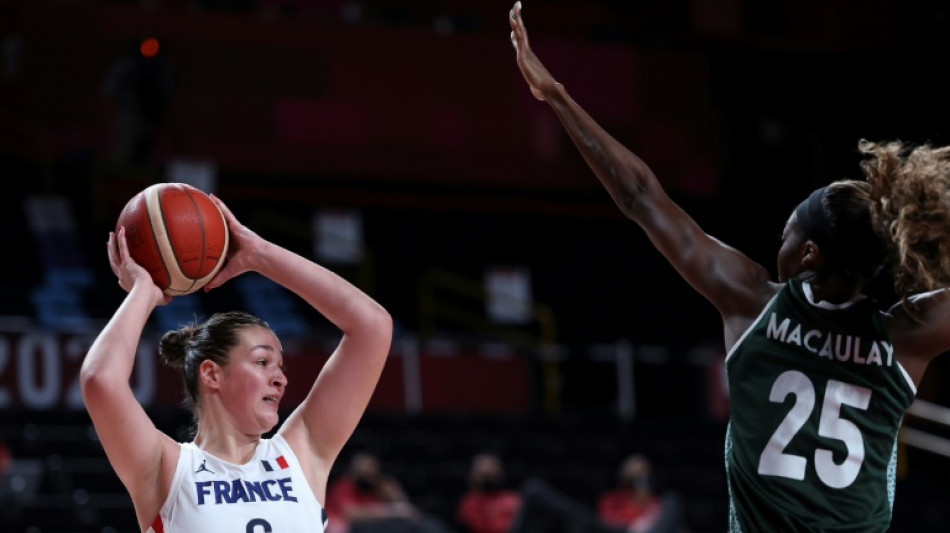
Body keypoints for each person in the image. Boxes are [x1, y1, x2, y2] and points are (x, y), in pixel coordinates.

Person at [509, 2, 950, 531]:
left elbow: (641, 196)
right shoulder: (905, 336)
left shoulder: (752, 303)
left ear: (809, 254)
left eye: (787, 230)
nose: (778, 238)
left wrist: (557, 95)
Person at [80, 194, 393, 532]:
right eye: (262, 361)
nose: (280, 379)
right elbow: (101, 380)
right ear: (212, 374)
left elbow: (372, 326)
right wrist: (143, 290)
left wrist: (261, 255)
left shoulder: (302, 453)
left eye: (281, 367)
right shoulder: (166, 467)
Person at [325, 451, 455, 533]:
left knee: (430, 524)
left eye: (371, 469)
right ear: (353, 469)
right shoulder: (344, 485)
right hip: (356, 528)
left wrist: (396, 495)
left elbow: (406, 509)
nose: (367, 473)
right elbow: (353, 514)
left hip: (385, 524)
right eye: (362, 469)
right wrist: (394, 512)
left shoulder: (376, 487)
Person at [456, 452, 522, 533]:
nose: (488, 476)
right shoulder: (468, 502)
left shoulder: (513, 500)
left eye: (491, 473)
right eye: (484, 475)